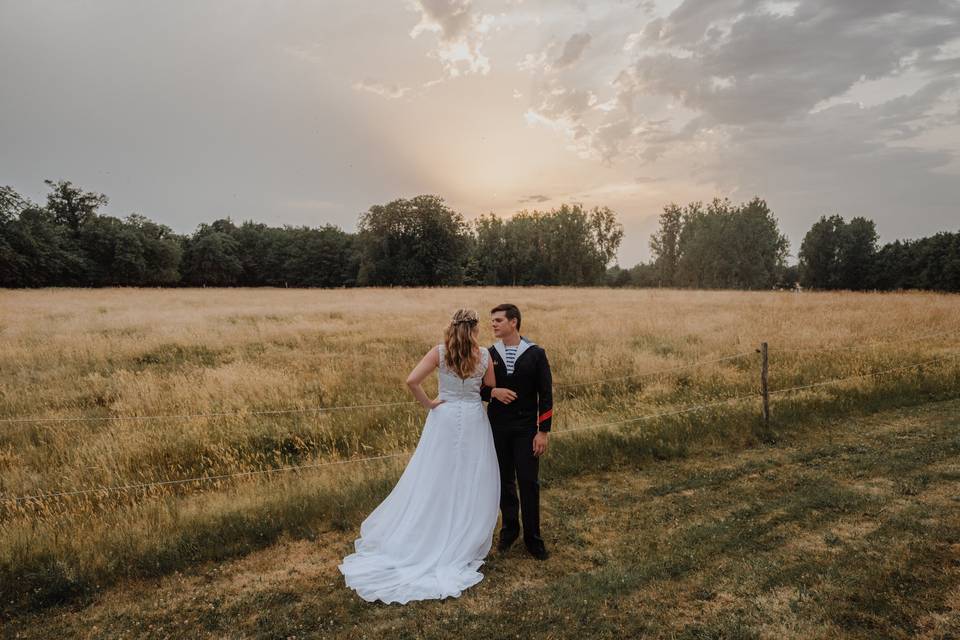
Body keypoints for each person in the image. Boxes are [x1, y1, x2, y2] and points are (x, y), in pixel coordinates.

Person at [337, 308, 501, 604]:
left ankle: (431, 528)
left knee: (434, 475)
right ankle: (463, 532)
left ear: (452, 326)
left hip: (445, 416)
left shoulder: (440, 352)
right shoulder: (485, 354)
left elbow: (412, 380)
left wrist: (430, 404)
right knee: (472, 476)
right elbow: (489, 386)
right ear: (475, 328)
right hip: (474, 418)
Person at [480, 303, 553, 560]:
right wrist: (493, 392)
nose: (494, 325)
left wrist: (542, 431)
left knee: (528, 482)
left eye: (499, 320)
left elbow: (545, 395)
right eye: (492, 321)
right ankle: (510, 530)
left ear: (514, 322)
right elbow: (476, 388)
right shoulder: (488, 354)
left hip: (526, 429)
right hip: (497, 428)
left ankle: (533, 538)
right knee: (503, 481)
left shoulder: (535, 353)